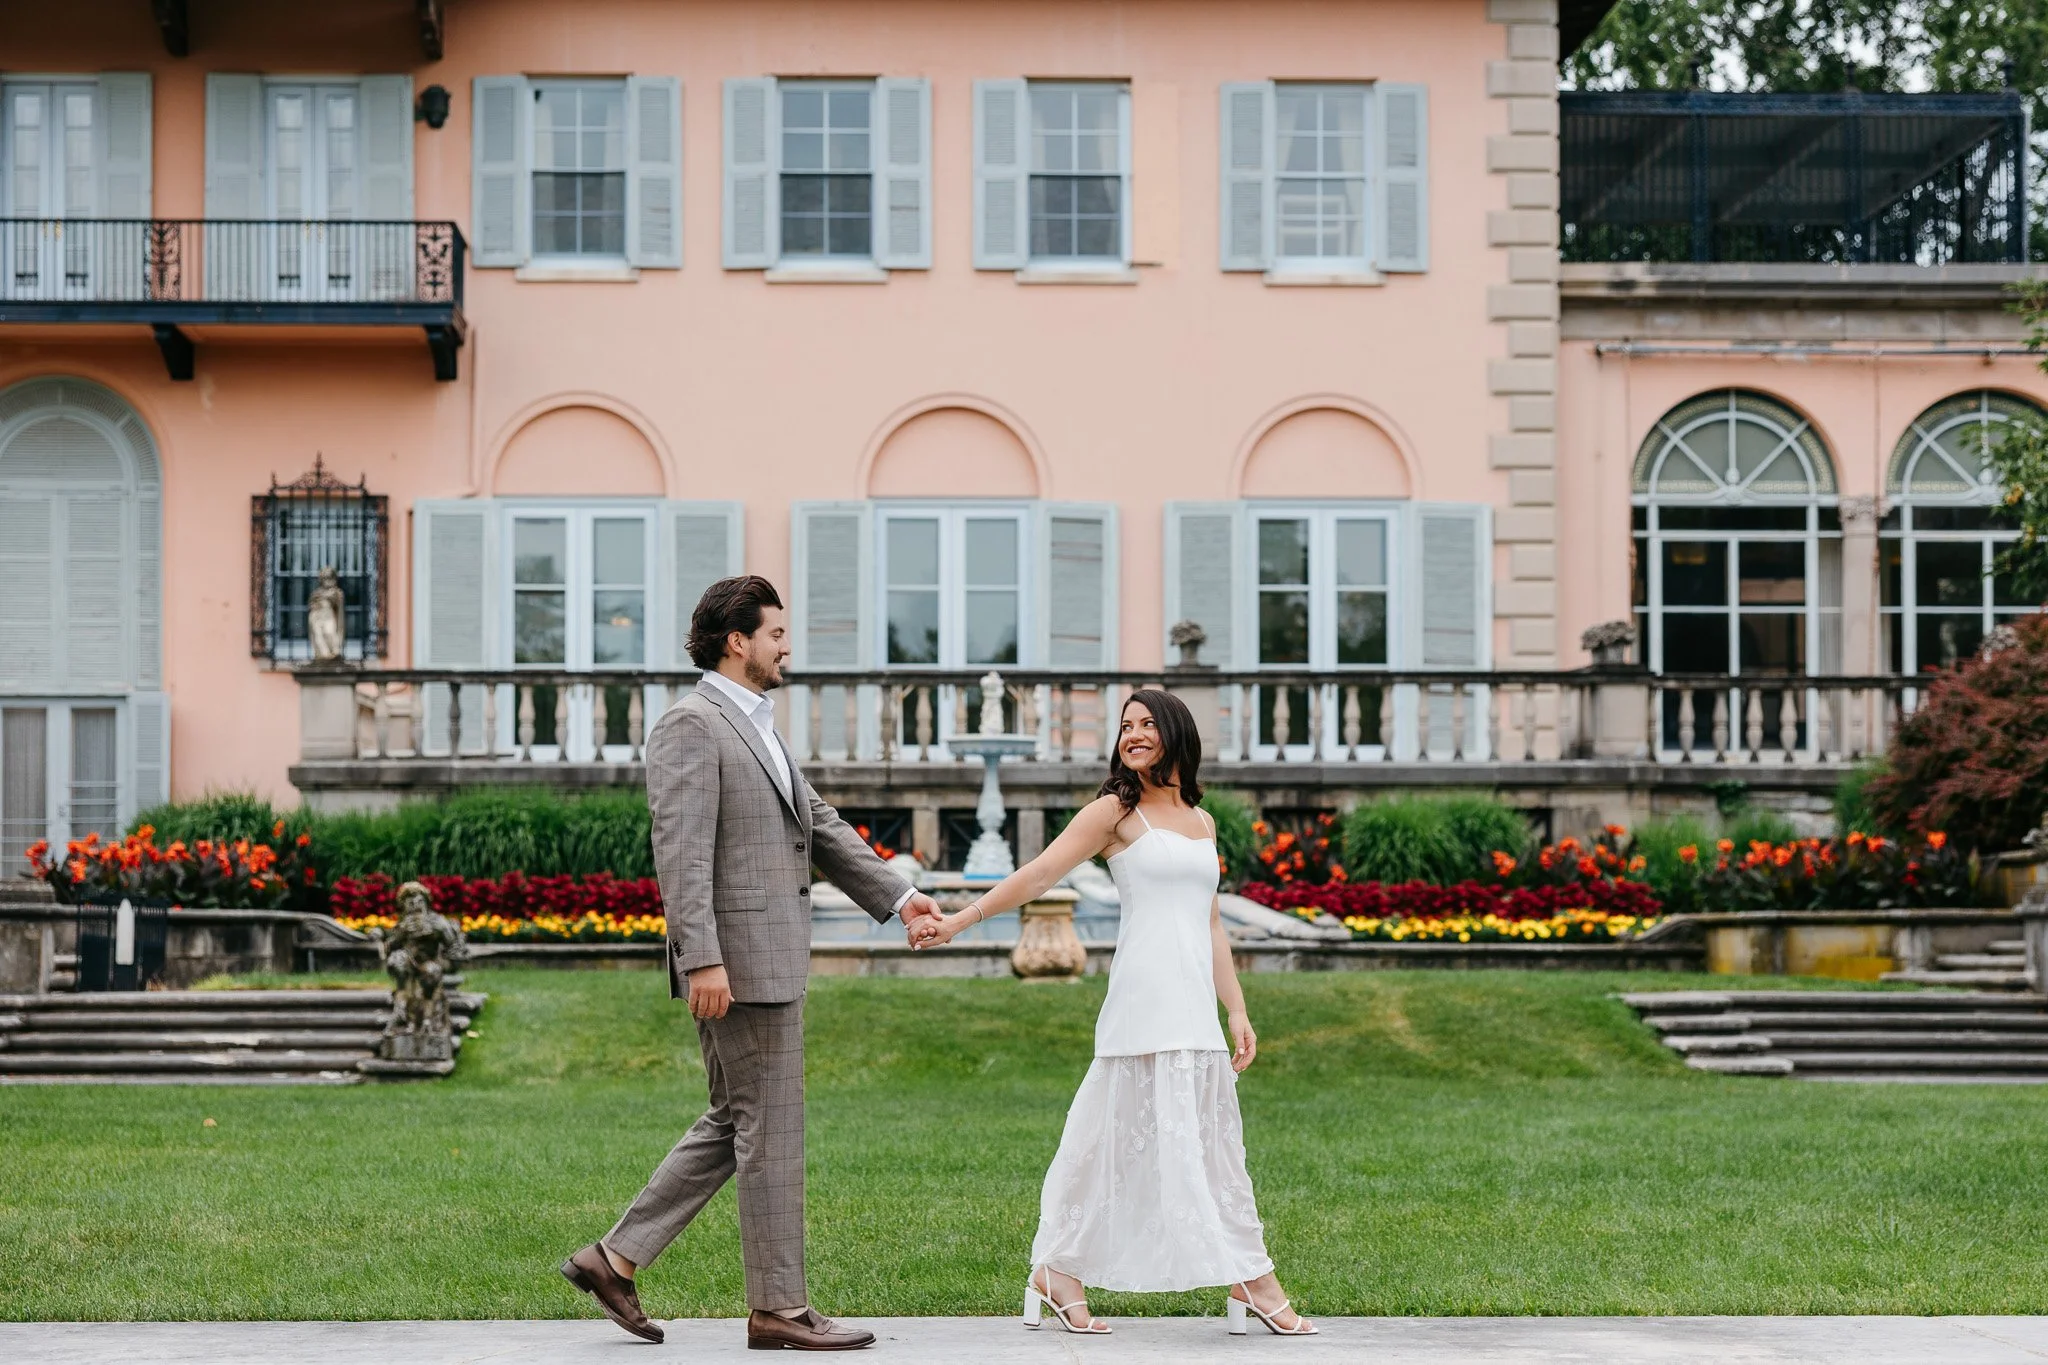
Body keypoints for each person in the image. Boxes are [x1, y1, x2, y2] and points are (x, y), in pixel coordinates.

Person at [561, 575, 943, 1351]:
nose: (785, 645)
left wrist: (901, 898)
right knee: (770, 1131)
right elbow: (681, 853)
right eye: (775, 633)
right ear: (737, 640)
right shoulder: (692, 725)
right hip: (738, 965)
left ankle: (614, 1257)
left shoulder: (753, 723)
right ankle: (780, 1307)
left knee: (740, 1119)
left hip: (763, 961)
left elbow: (819, 823)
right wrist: (701, 958)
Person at [912, 688, 1314, 1338]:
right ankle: (1072, 1270)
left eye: (1146, 723)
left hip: (1195, 1010)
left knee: (1213, 1146)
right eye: (1125, 725)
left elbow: (1209, 920)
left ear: (1175, 732)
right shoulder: (1115, 813)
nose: (1132, 733)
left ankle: (1239, 1272)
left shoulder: (1202, 822)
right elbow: (1041, 873)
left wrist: (1236, 1008)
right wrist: (959, 919)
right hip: (1142, 1000)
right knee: (1103, 1145)